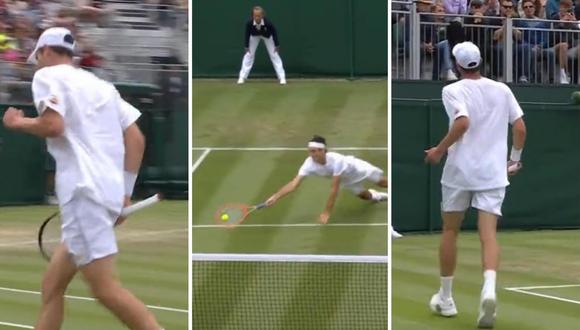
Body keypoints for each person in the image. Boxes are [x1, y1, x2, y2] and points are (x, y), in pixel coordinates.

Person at [1, 27, 162, 330]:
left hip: (83, 193)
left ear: (47, 51)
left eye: (38, 56)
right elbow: (136, 138)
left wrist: (18, 122)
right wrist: (124, 194)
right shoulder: (101, 85)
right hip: (104, 193)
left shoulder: (46, 76)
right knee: (52, 287)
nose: (37, 62)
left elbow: (53, 126)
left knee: (105, 289)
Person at [424, 41, 526, 329]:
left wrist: (438, 150)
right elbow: (519, 128)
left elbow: (462, 122)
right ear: (479, 62)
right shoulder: (503, 89)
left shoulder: (451, 90)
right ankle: (489, 289)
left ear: (457, 65)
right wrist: (514, 160)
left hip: (459, 172)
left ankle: (446, 299)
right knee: (488, 235)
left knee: (449, 230)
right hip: (493, 173)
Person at [265, 135, 388, 225]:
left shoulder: (336, 160)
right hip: (349, 181)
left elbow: (334, 188)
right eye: (310, 151)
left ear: (323, 151)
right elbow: (293, 184)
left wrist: (326, 212)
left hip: (361, 170)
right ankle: (379, 196)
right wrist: (275, 196)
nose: (312, 154)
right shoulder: (308, 164)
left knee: (383, 183)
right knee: (366, 197)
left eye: (314, 151)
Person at [237, 6, 286, 85]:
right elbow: (247, 34)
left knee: (274, 55)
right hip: (254, 36)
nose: (256, 17)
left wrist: (277, 45)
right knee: (249, 54)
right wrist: (246, 46)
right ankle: (242, 77)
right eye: (255, 16)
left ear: (262, 15)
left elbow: (274, 32)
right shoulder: (249, 23)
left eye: (258, 16)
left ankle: (282, 77)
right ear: (252, 16)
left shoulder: (268, 23)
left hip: (267, 36)